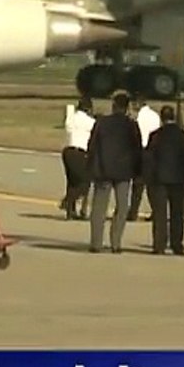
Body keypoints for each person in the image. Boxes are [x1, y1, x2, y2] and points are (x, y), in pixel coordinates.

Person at [86, 92, 143, 253]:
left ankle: (96, 243)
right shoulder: (131, 125)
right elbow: (137, 149)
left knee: (99, 208)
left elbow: (93, 145)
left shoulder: (102, 123)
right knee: (122, 207)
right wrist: (138, 170)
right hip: (124, 171)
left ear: (113, 106)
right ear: (127, 108)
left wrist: (92, 166)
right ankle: (115, 242)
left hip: (103, 169)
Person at [144, 106, 184, 255]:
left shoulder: (155, 136)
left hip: (159, 179)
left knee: (160, 213)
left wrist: (148, 177)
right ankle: (177, 244)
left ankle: (159, 245)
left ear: (161, 118)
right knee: (177, 213)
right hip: (178, 178)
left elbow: (149, 159)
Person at [60, 97, 94, 220]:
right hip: (80, 153)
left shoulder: (71, 119)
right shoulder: (88, 121)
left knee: (72, 182)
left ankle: (71, 211)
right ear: (88, 108)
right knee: (85, 182)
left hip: (67, 151)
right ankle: (68, 201)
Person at [127, 98, 161, 221]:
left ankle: (133, 212)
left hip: (141, 150)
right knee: (152, 184)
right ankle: (156, 211)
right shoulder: (155, 116)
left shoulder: (138, 118)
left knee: (138, 184)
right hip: (152, 150)